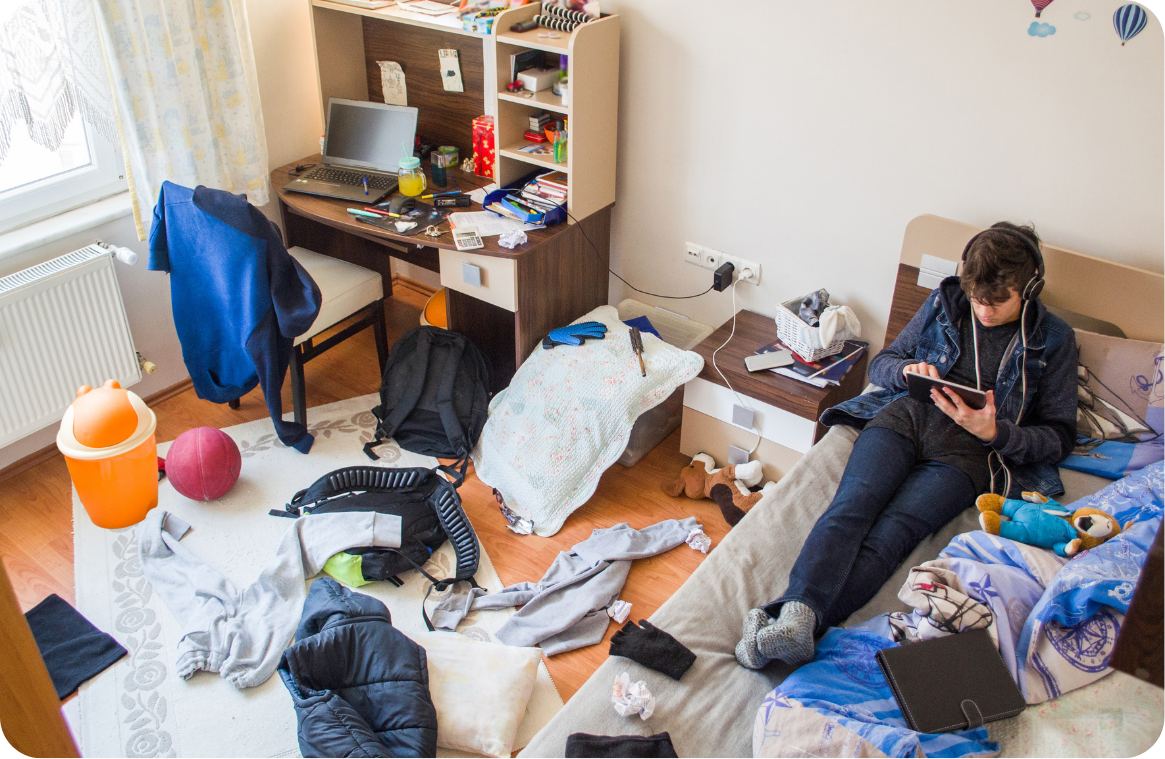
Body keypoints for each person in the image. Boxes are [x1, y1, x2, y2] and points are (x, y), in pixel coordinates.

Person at [736, 222, 1078, 670]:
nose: (983, 310)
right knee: (852, 507)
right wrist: (908, 371)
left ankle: (794, 621)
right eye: (977, 298)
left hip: (969, 454)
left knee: (892, 535)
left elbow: (1059, 437)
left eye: (997, 302)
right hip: (905, 418)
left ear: (1028, 290)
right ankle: (797, 618)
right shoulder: (944, 302)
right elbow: (883, 365)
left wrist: (996, 433)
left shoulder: (1054, 339)